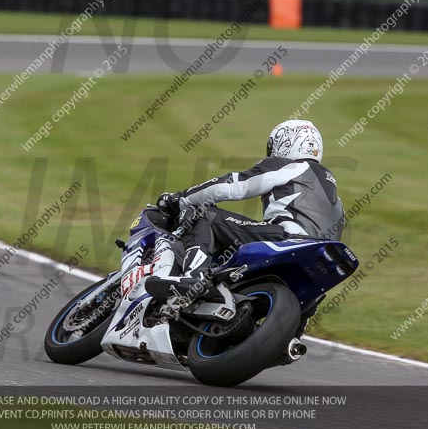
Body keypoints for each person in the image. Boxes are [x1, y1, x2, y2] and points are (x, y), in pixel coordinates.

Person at [144, 119, 344, 302]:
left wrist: (181, 198)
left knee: (202, 214)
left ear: (285, 143)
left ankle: (193, 277)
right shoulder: (336, 199)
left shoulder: (286, 166)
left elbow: (233, 186)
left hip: (286, 239)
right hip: (317, 260)